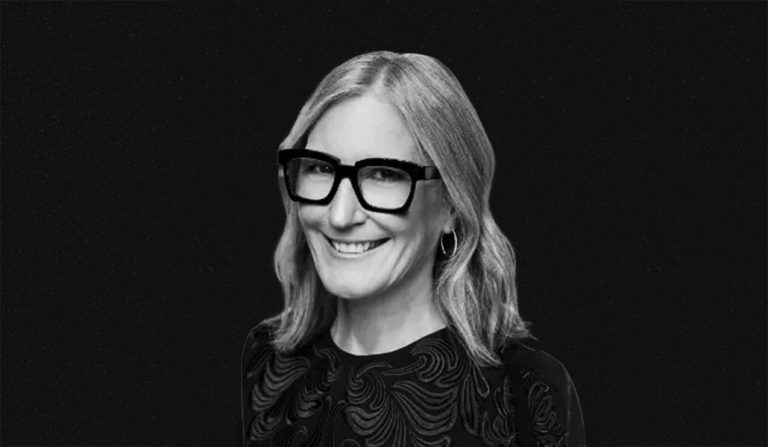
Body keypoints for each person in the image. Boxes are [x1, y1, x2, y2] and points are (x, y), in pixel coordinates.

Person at [242, 51, 586, 447]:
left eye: (384, 174)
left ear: (453, 204)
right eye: (320, 168)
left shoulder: (526, 392)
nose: (339, 215)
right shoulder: (264, 359)